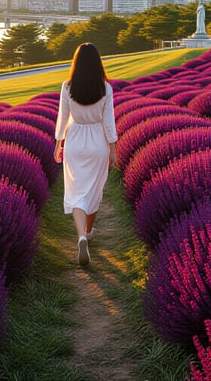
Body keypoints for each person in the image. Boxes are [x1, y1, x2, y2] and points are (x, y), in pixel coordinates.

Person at [54, 42, 118, 266]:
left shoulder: (67, 87)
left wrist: (58, 144)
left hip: (74, 141)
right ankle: (89, 231)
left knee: (76, 191)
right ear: (97, 64)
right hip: (97, 142)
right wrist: (112, 149)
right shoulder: (105, 88)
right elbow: (109, 123)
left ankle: (81, 235)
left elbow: (62, 119)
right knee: (94, 190)